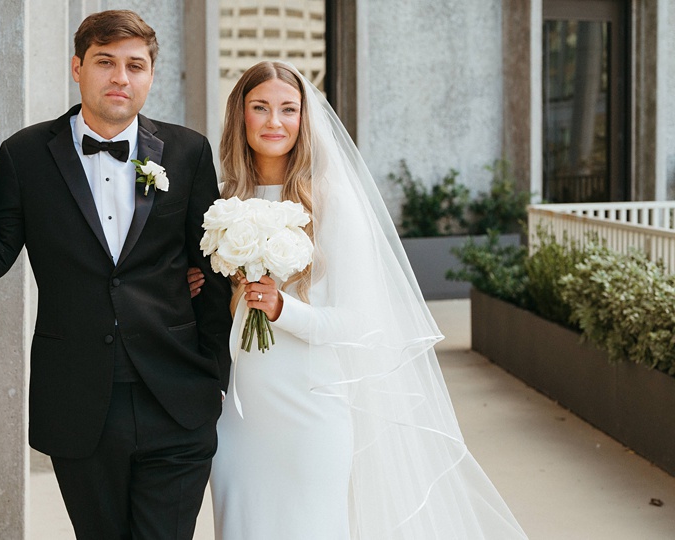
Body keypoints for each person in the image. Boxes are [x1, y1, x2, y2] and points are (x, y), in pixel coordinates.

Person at [190, 61, 528, 539]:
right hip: (239, 414)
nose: (273, 122)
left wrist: (284, 309)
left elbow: (360, 323)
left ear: (304, 120)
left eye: (288, 109)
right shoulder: (223, 203)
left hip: (309, 408)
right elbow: (215, 311)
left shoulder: (330, 201)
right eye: (260, 108)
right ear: (240, 116)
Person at [0, 10, 232, 539]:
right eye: (105, 62)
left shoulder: (189, 152)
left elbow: (211, 271)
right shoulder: (25, 155)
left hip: (176, 398)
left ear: (151, 74)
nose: (120, 78)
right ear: (78, 68)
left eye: (135, 65)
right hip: (79, 403)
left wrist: (213, 375)